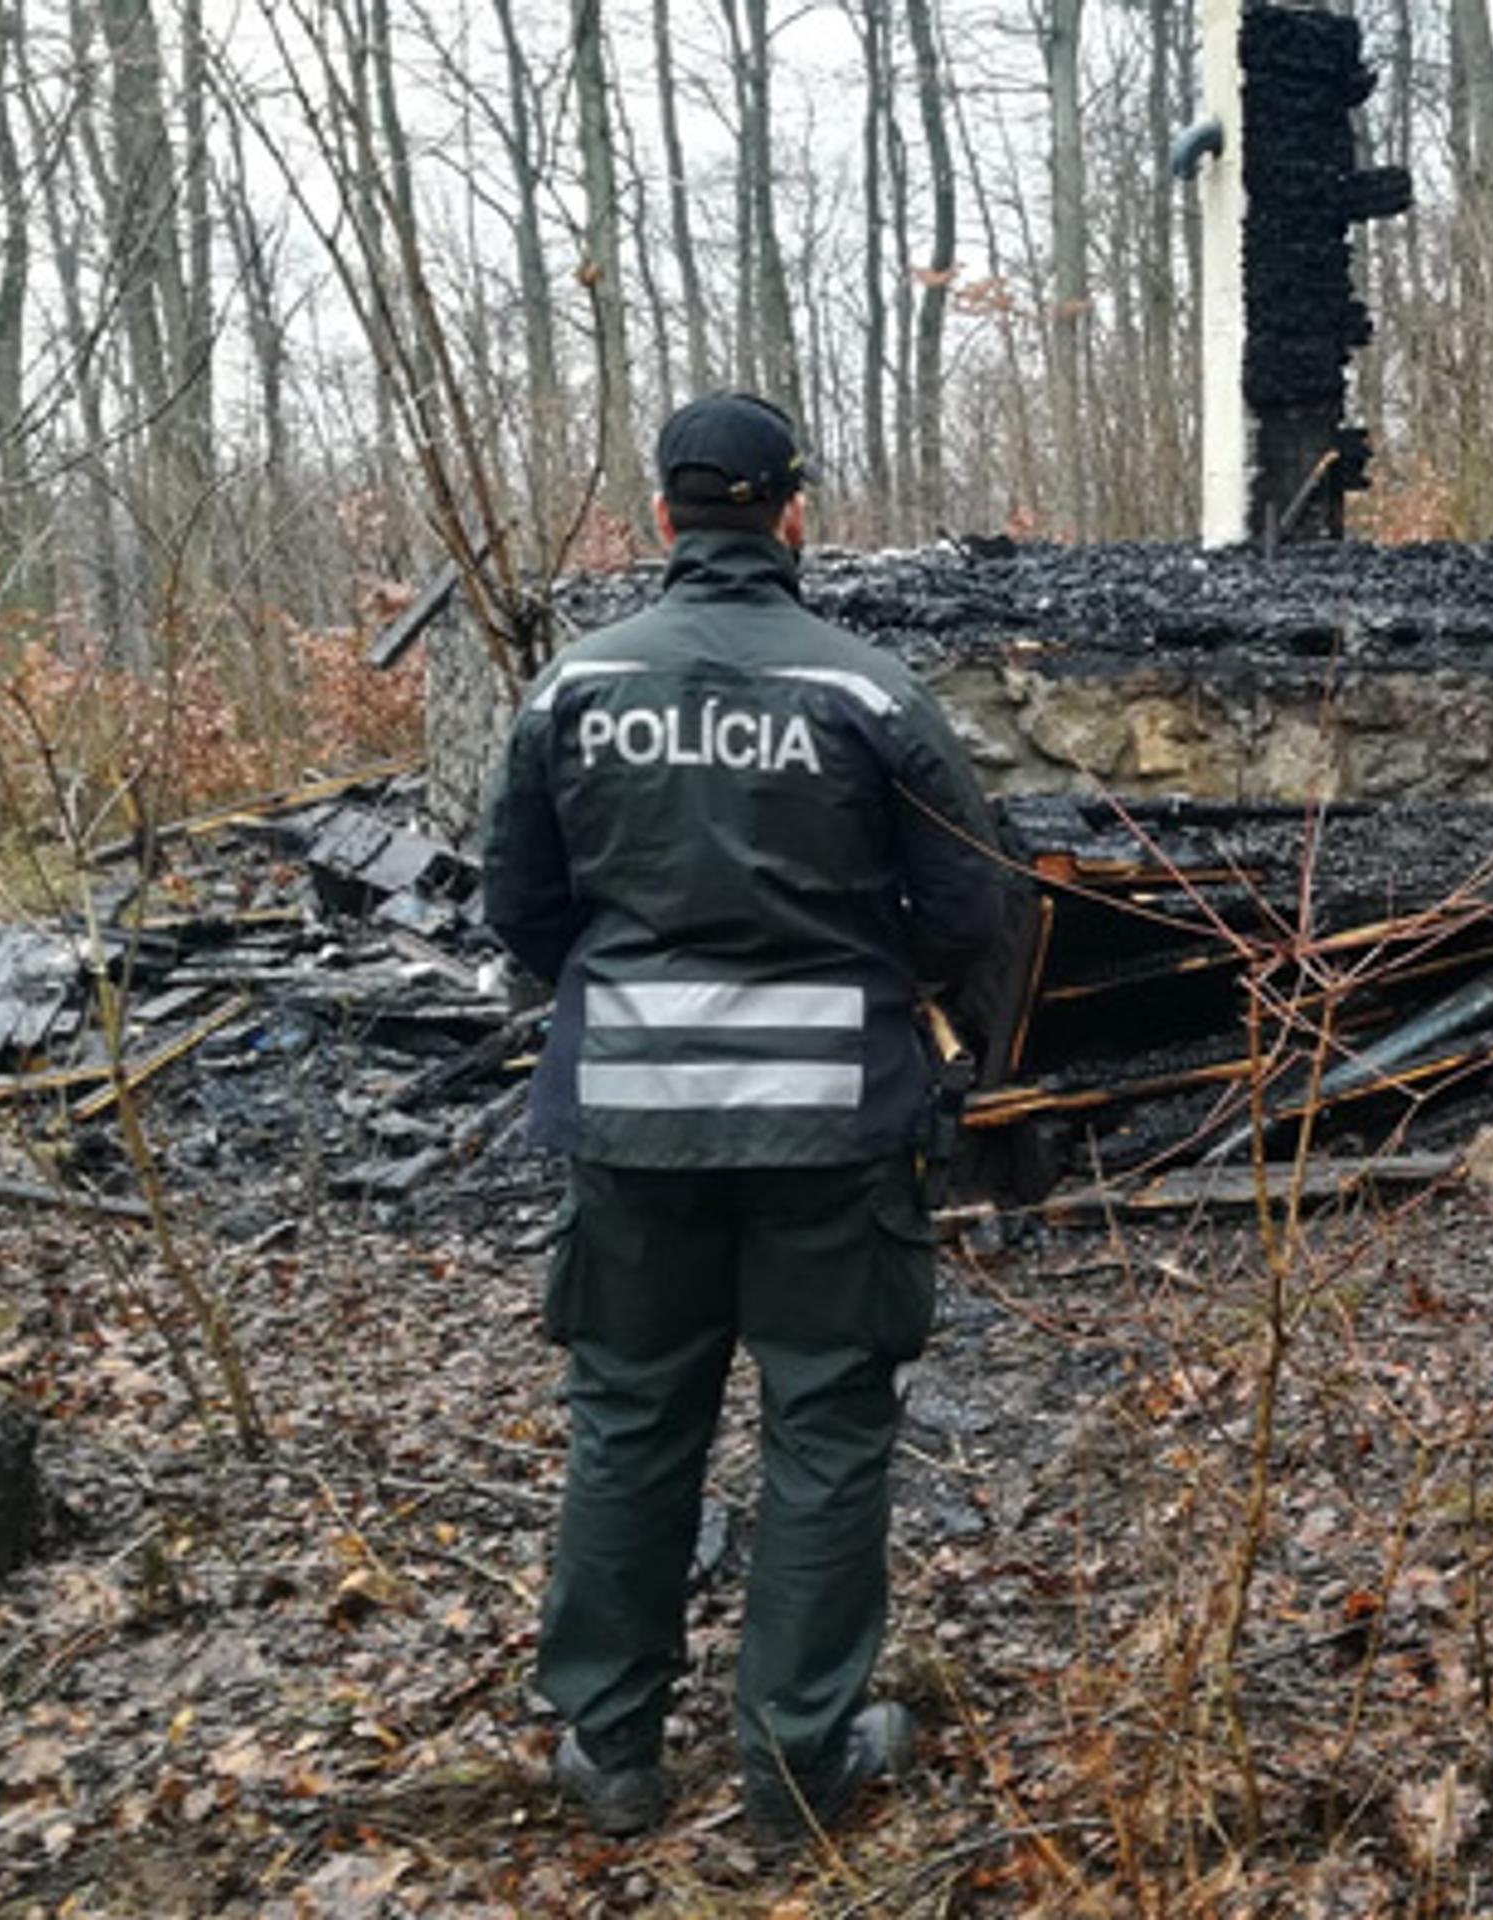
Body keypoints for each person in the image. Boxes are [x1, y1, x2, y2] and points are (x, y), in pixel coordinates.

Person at [482, 392, 1035, 1847]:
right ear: (794, 515)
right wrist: (889, 999)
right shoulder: (866, 694)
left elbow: (521, 909)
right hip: (832, 1137)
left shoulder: (572, 691)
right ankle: (798, 1764)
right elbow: (976, 903)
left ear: (662, 518)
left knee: (629, 1418)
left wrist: (617, 1011)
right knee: (829, 1428)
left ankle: (611, 1751)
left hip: (630, 1133)